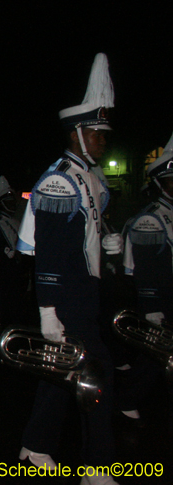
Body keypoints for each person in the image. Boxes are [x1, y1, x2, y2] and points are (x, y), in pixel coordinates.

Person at [16, 53, 123, 485]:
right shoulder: (60, 180)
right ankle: (97, 467)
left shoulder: (91, 179)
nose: (101, 141)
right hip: (69, 293)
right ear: (76, 133)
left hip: (86, 288)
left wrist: (111, 246)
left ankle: (35, 446)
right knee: (97, 374)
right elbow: (49, 253)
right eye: (95, 134)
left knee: (64, 370)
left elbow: (88, 235)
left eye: (102, 134)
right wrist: (48, 309)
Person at [118, 132, 173, 428]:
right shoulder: (152, 218)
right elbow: (146, 269)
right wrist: (152, 306)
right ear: (160, 182)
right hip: (161, 299)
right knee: (153, 357)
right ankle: (127, 399)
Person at [0, 176, 28, 325]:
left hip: (17, 274)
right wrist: (1, 251)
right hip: (1, 276)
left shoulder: (17, 222)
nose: (12, 204)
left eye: (12, 201)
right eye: (8, 202)